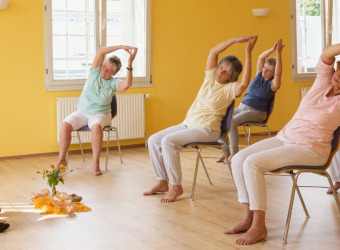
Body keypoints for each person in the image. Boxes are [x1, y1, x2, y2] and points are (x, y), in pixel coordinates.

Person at [224, 42, 340, 245]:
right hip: (285, 137)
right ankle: (247, 217)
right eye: (339, 70)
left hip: (311, 149)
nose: (338, 75)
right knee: (238, 159)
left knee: (252, 163)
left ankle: (259, 226)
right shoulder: (323, 82)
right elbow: (327, 54)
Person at [143, 35, 258, 202]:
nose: (221, 71)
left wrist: (248, 53)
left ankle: (176, 185)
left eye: (226, 71)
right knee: (154, 140)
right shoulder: (209, 79)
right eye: (221, 67)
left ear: (231, 77)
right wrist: (234, 40)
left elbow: (245, 82)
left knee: (168, 142)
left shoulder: (230, 88)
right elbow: (213, 52)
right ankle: (162, 182)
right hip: (188, 124)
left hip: (207, 130)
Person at [57, 45, 138, 176]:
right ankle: (61, 160)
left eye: (109, 70)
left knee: (95, 127)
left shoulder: (113, 83)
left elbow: (127, 85)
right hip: (82, 112)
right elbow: (101, 51)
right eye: (105, 66)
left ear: (114, 73)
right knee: (65, 124)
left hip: (101, 114)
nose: (104, 70)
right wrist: (121, 47)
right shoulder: (95, 71)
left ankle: (95, 164)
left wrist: (129, 63)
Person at [216, 39, 283, 163]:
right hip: (242, 107)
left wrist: (278, 53)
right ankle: (225, 150)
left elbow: (279, 74)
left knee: (232, 122)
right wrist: (272, 50)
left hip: (257, 112)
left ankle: (235, 154)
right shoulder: (259, 75)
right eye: (264, 68)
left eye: (269, 70)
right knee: (222, 117)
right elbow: (260, 58)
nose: (264, 71)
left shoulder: (273, 84)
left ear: (274, 73)